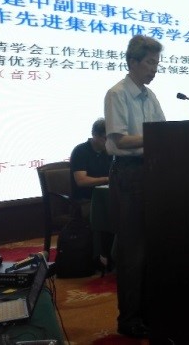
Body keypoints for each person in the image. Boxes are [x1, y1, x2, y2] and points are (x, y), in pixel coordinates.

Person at [103, 35, 165, 340]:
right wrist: (155, 138)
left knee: (152, 248)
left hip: (151, 173)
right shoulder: (117, 94)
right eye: (150, 62)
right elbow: (118, 140)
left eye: (156, 63)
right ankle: (128, 319)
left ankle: (149, 311)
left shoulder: (150, 96)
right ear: (132, 62)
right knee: (132, 252)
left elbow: (164, 132)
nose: (154, 69)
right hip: (129, 175)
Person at [69, 117, 114, 272]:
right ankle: (99, 256)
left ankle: (115, 255)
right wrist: (107, 179)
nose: (107, 142)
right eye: (105, 138)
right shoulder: (80, 151)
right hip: (85, 200)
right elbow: (81, 181)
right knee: (107, 213)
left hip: (107, 197)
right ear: (94, 134)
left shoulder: (110, 152)